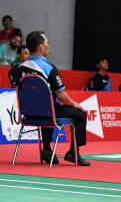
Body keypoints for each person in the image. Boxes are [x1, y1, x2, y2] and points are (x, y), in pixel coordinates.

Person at [17, 31, 90, 166]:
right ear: (41, 47)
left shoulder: (19, 69)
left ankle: (46, 150)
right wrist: (75, 104)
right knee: (80, 114)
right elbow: (61, 96)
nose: (49, 46)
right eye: (46, 43)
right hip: (47, 114)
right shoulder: (49, 68)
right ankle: (73, 153)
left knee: (48, 107)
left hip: (27, 114)